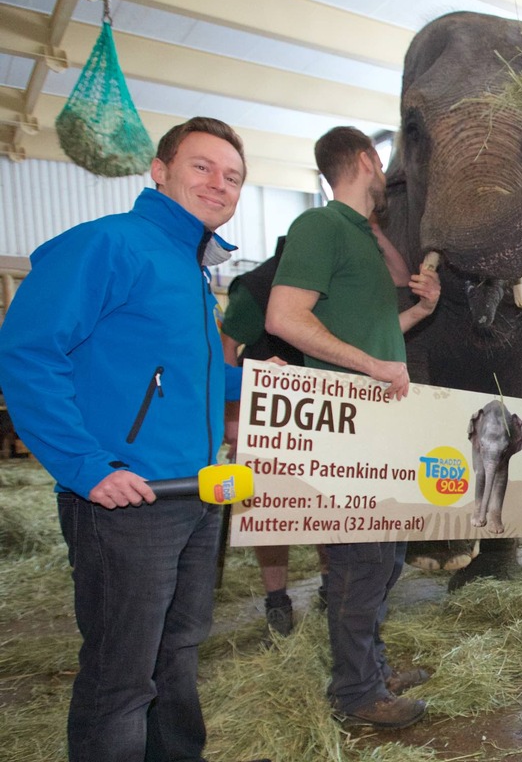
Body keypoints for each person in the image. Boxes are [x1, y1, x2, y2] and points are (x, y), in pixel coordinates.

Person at [0, 118, 254, 762]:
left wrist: (249, 381)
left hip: (195, 491)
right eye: (202, 166)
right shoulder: (109, 244)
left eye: (232, 176)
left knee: (179, 651)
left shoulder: (190, 269)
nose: (218, 184)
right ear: (160, 171)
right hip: (127, 496)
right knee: (122, 673)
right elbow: (29, 352)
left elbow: (174, 372)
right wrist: (86, 466)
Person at [265, 126, 440, 730]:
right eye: (382, 166)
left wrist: (421, 308)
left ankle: (372, 665)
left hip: (379, 424)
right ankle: (356, 694)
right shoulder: (320, 226)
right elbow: (284, 317)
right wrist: (370, 366)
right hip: (344, 426)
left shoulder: (359, 237)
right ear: (368, 160)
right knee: (359, 563)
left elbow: (378, 332)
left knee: (387, 559)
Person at [221, 236, 329, 639]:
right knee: (268, 510)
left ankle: (330, 588)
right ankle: (277, 602)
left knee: (325, 502)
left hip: (321, 405)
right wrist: (234, 417)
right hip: (267, 410)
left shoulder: (337, 285)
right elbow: (226, 348)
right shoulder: (257, 285)